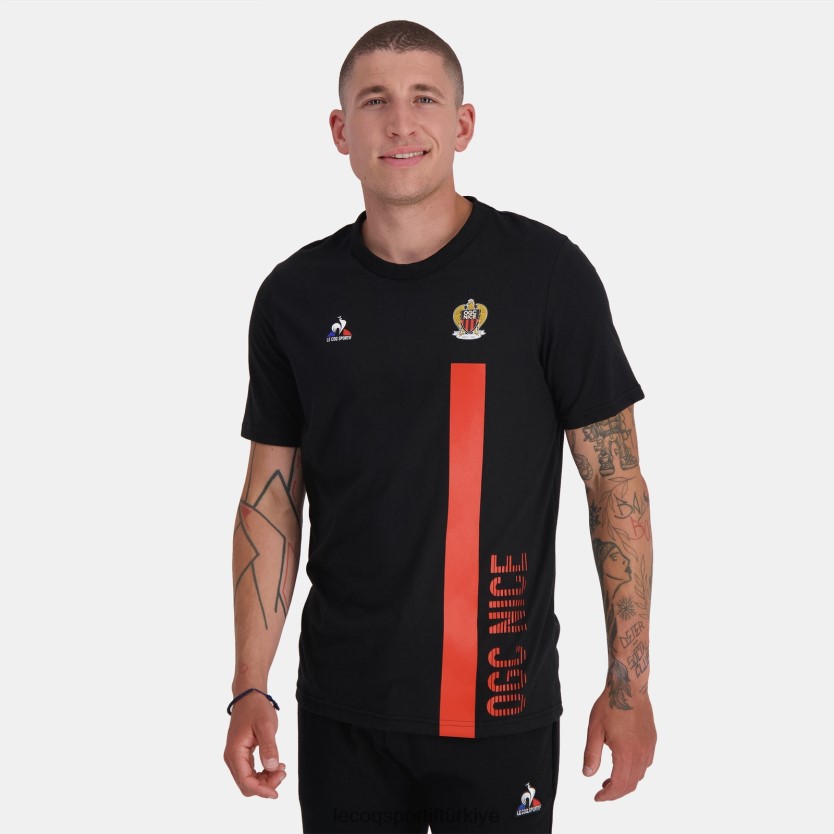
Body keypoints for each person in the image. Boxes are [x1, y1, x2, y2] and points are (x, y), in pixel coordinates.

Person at [223, 19, 656, 833]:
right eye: (374, 101)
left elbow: (614, 483)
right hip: (344, 708)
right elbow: (271, 499)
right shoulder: (294, 296)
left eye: (424, 99)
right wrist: (251, 685)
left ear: (463, 124)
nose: (400, 123)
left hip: (500, 701)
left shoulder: (547, 275)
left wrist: (628, 687)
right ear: (340, 130)